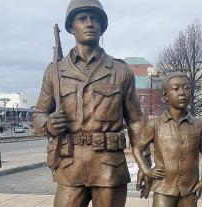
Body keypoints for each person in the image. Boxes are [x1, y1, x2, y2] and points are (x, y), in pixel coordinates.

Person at [33, 0, 148, 206]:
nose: (89, 23)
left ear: (102, 26)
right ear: (71, 27)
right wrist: (48, 124)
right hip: (70, 167)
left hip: (109, 168)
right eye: (82, 18)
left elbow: (137, 122)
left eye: (95, 19)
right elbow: (39, 114)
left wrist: (145, 164)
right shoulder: (55, 72)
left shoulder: (121, 72)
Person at [133, 72, 202, 207]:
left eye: (187, 88)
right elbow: (137, 148)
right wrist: (146, 170)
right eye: (176, 89)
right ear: (165, 96)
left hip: (190, 188)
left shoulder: (199, 125)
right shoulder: (155, 124)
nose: (182, 93)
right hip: (163, 187)